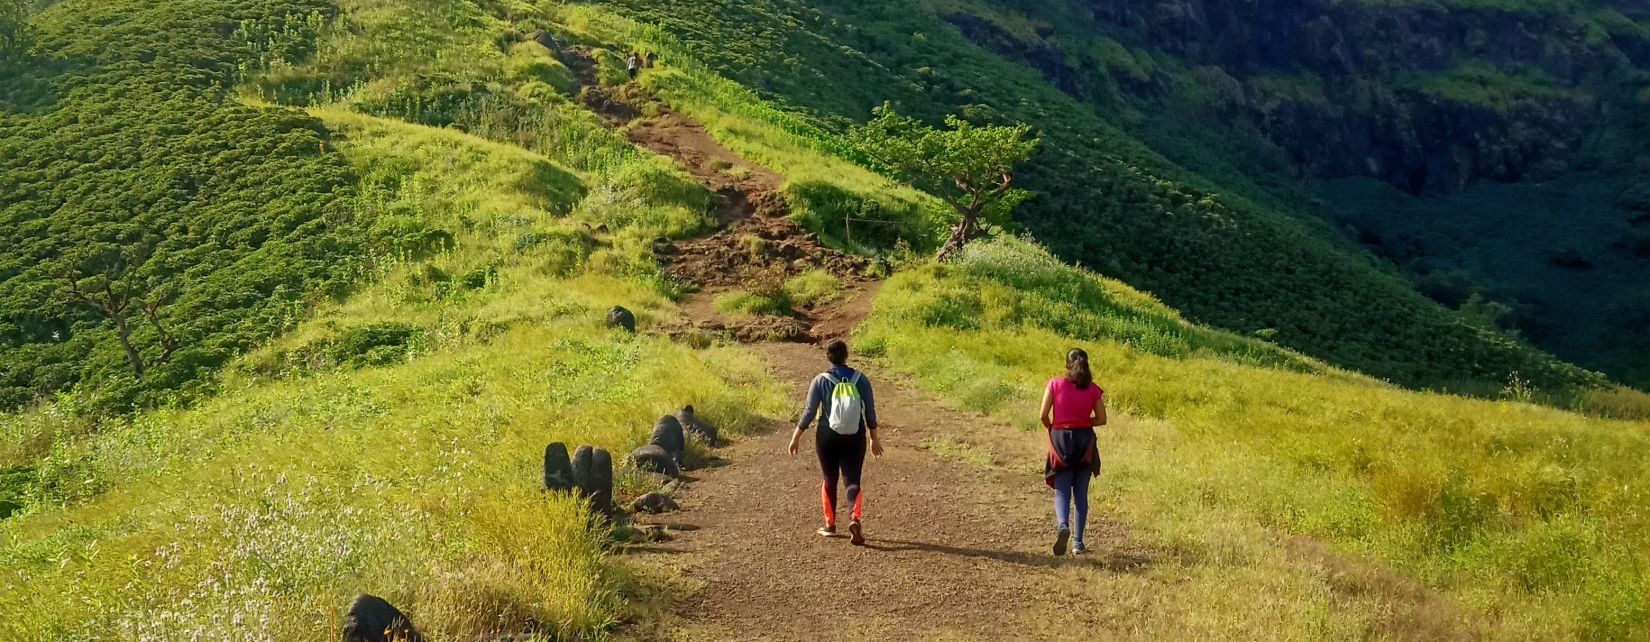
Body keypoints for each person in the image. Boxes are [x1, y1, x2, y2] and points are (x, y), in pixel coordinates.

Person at [788, 339, 883, 545]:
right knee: (852, 479)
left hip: (827, 435)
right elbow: (870, 413)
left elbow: (809, 412)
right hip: (854, 435)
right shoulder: (861, 379)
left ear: (828, 357)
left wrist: (796, 437)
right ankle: (854, 519)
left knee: (829, 478)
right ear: (846, 356)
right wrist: (874, 439)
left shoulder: (820, 380)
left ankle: (830, 525)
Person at [1038, 348, 1106, 555]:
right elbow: (1102, 419)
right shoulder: (1093, 389)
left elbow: (1043, 415)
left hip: (1060, 438)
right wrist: (1085, 421)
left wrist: (1053, 427)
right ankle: (1078, 543)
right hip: (1084, 440)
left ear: (1068, 365)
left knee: (1062, 490)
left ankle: (1062, 526)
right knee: (1081, 494)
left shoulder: (1055, 384)